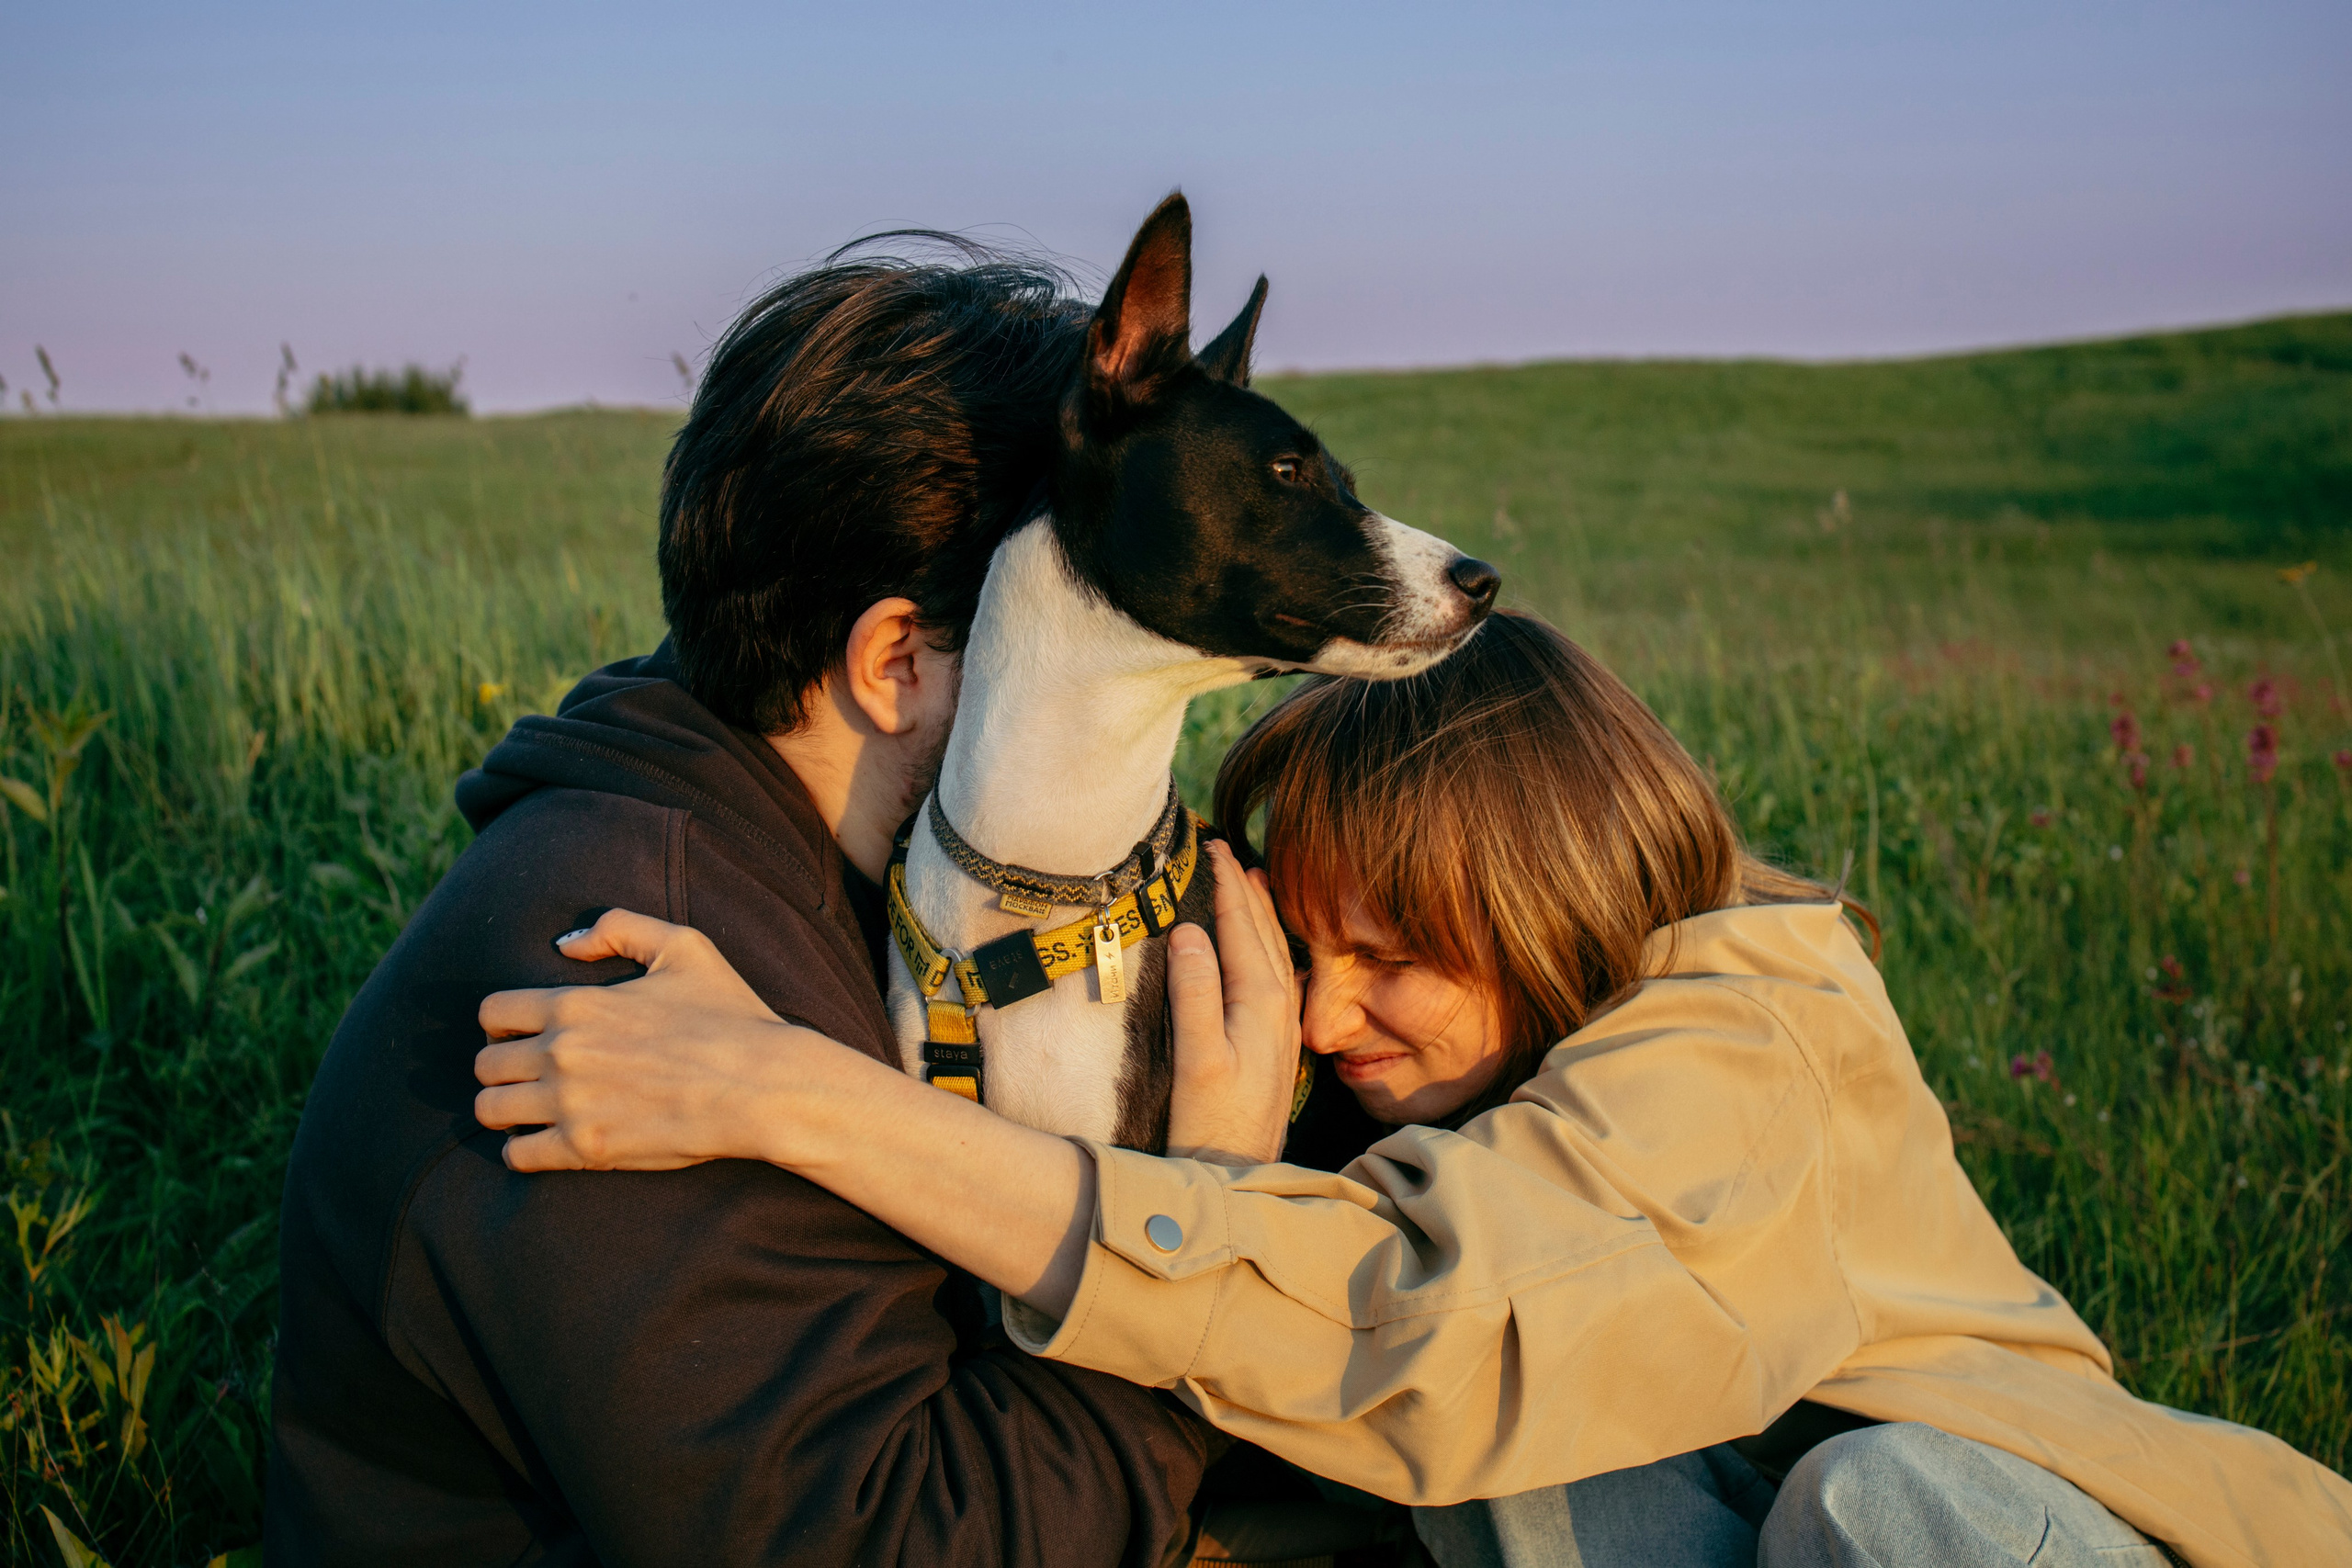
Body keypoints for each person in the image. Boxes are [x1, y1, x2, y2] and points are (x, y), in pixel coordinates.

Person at [474, 612, 2352, 1568]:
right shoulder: (1467, 1098)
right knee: (1525, 1468)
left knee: (1877, 1504)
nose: (1324, 1012)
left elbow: (1411, 1311)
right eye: (1304, 948)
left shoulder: (1747, 1040)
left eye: (1391, 950)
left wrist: (785, 1092)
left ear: (1539, 896)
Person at [266, 249, 1218, 1566]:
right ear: (895, 661)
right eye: (1072, 648)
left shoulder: (809, 854)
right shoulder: (631, 998)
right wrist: (1203, 1238)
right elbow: (895, 1546)